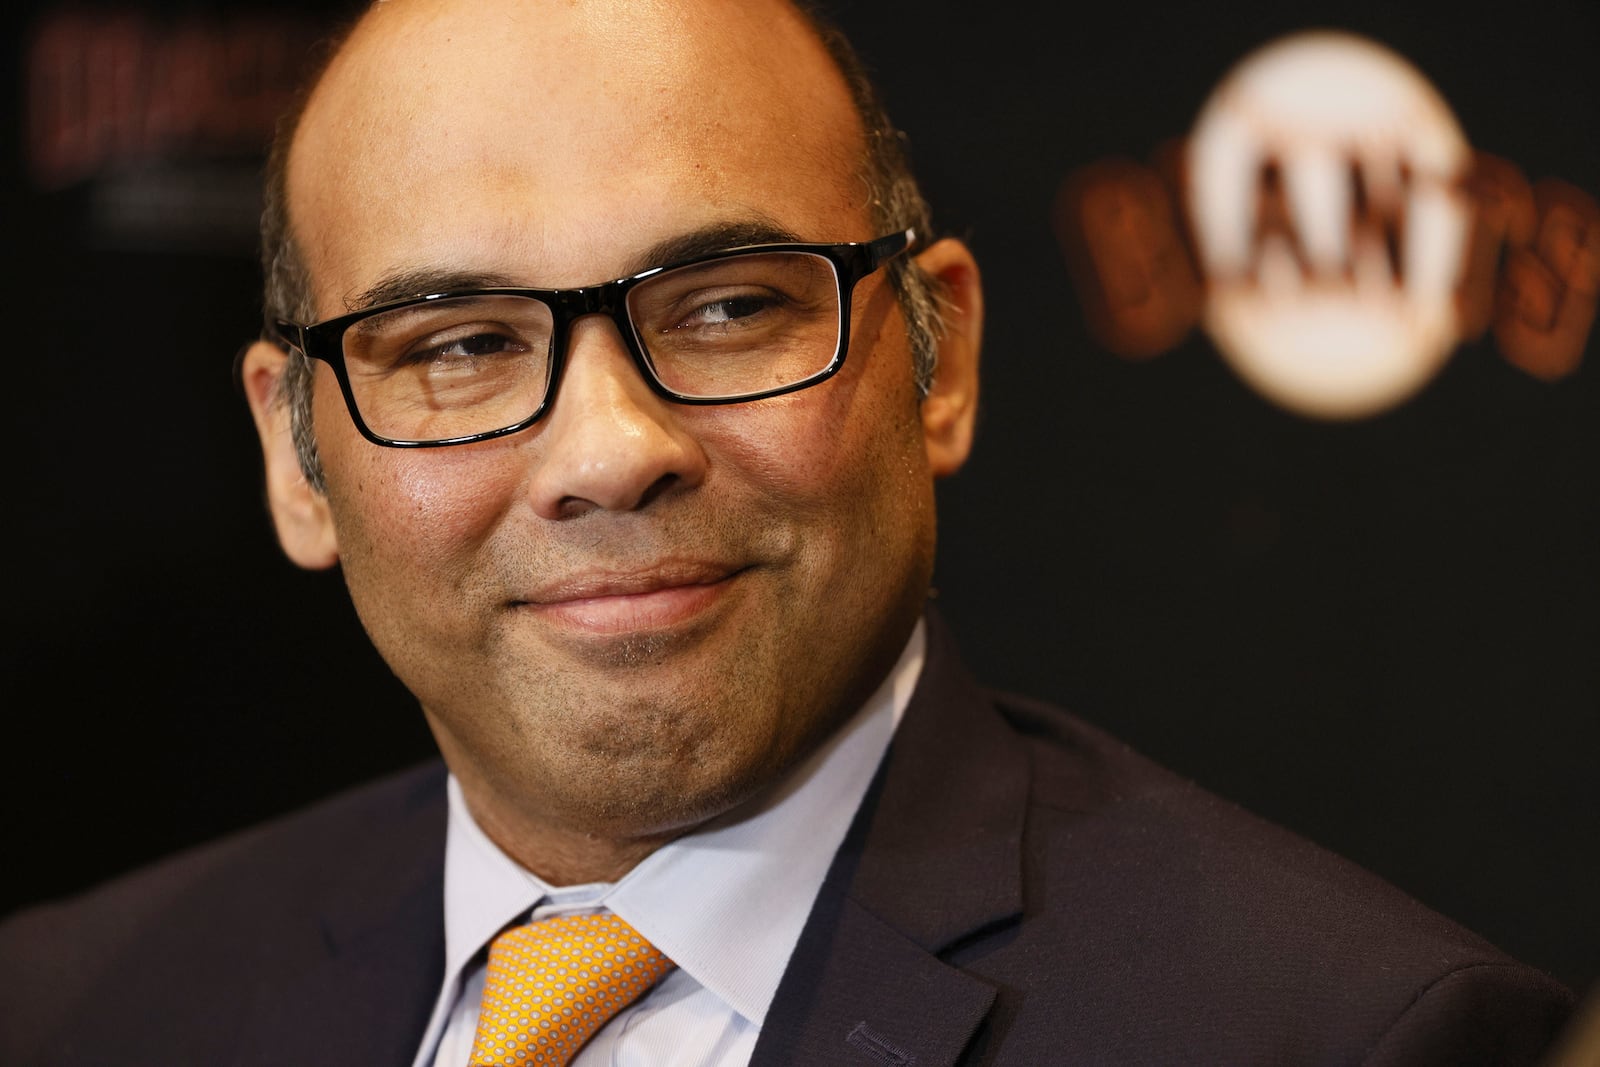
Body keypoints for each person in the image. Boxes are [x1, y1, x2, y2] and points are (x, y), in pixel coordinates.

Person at [0, 0, 1578, 1063]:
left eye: (733, 307)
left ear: (938, 357)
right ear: (295, 457)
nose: (610, 454)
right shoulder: (70, 1008)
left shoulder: (1349, 1038)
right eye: (462, 344)